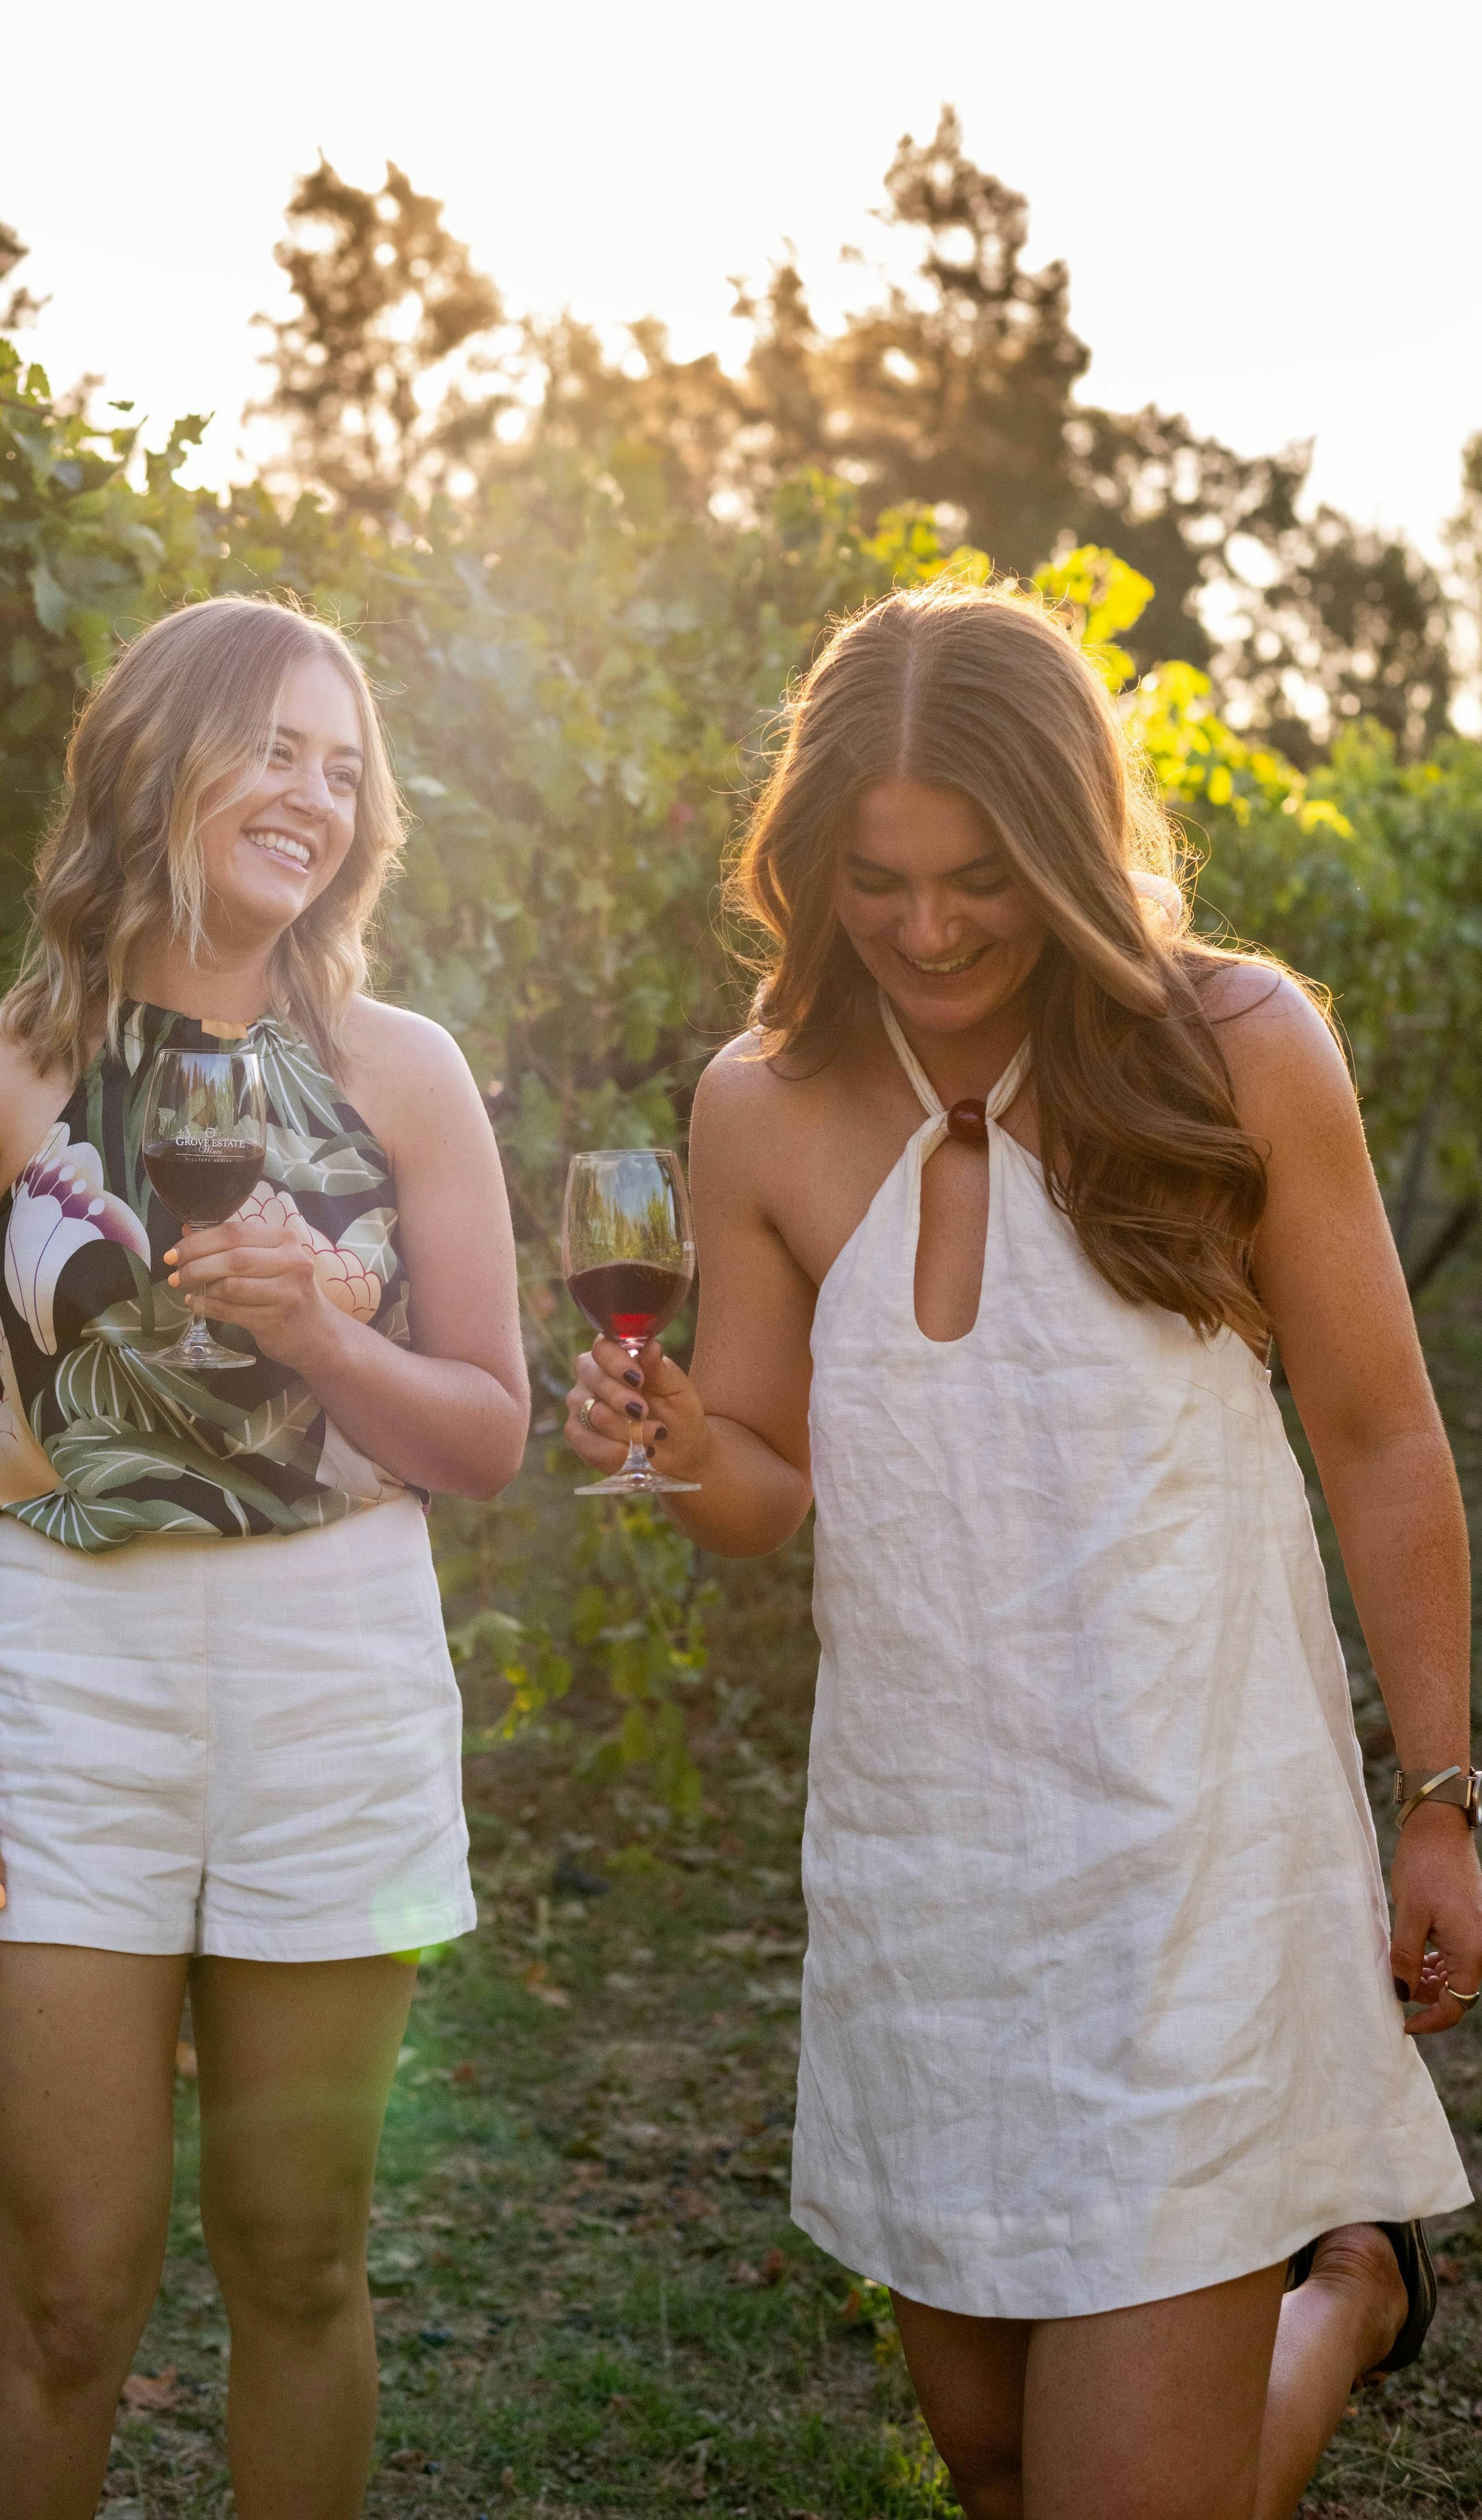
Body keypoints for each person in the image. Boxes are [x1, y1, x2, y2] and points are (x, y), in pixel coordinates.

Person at [565, 581, 1477, 2520]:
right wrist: (665, 1444)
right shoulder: (760, 1102)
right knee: (992, 2456)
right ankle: (1354, 2298)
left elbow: (1384, 1437)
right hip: (929, 1872)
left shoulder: (1235, 1047)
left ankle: (1328, 2290)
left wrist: (1440, 1797)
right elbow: (760, 1490)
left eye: (974, 876)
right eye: (875, 880)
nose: (923, 927)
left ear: (1064, 842)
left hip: (1192, 1864)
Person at [0, 596, 528, 2520]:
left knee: (302, 2265)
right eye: (273, 749)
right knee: (67, 2299)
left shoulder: (402, 1072)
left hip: (340, 1687)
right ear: (154, 759)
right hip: (63, 1691)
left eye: (344, 767)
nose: (312, 797)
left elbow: (485, 1433)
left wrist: (327, 1334)